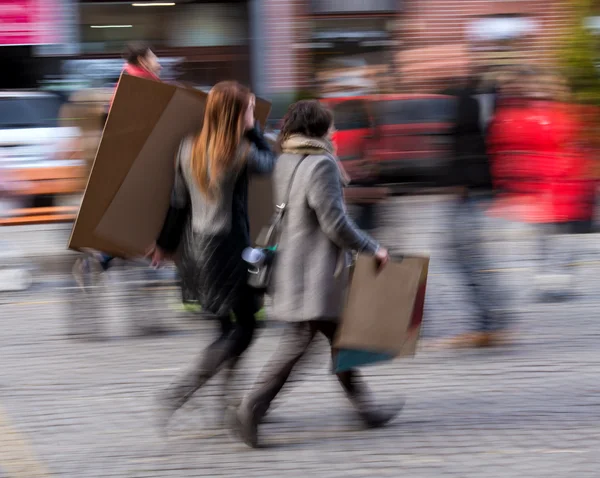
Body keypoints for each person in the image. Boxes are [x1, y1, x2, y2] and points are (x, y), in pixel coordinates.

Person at [233, 100, 400, 449]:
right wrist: (373, 248)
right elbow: (335, 223)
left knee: (341, 340)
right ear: (317, 131)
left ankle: (366, 410)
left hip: (295, 267)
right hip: (315, 274)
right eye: (330, 127)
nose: (335, 132)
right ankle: (251, 408)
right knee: (299, 345)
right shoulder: (322, 164)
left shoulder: (287, 159)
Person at [149, 81, 276, 428]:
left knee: (225, 329)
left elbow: (177, 204)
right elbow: (270, 163)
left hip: (195, 251)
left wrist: (164, 244)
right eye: (248, 109)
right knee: (249, 326)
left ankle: (226, 404)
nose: (252, 114)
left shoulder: (187, 147)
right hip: (229, 249)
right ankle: (182, 391)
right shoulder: (240, 152)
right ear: (236, 115)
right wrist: (255, 131)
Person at [72, 42, 162, 283]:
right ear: (143, 60)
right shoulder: (142, 86)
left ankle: (102, 259)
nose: (159, 63)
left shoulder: (129, 82)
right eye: (154, 57)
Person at [444, 74, 511, 348]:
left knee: (467, 255)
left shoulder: (465, 104)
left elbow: (467, 147)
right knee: (466, 255)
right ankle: (490, 321)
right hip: (470, 191)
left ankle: (490, 322)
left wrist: (464, 182)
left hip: (469, 192)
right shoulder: (473, 103)